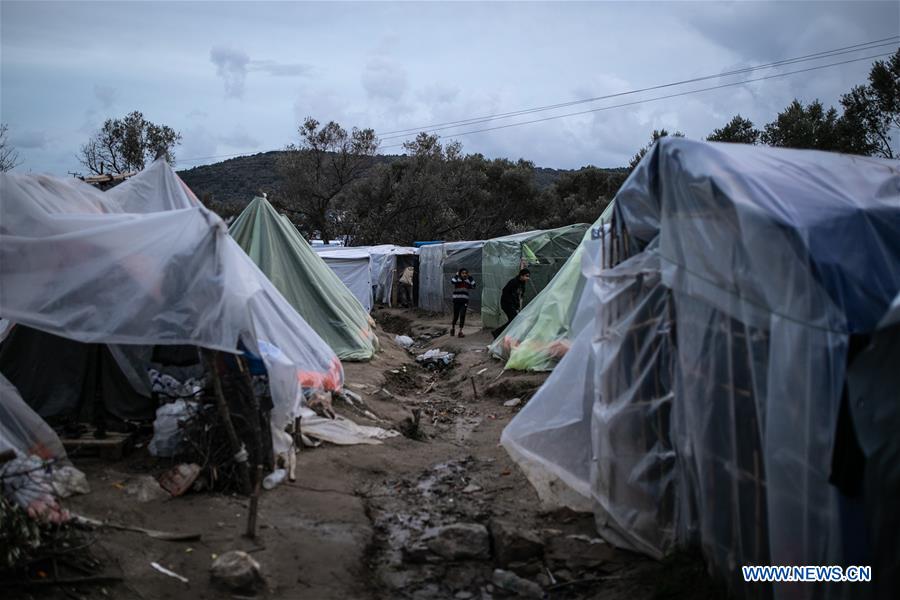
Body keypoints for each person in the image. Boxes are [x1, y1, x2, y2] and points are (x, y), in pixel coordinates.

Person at [492, 268, 530, 338]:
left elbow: (520, 295)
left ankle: (499, 332)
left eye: (528, 276)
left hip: (513, 304)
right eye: (526, 276)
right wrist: (511, 302)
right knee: (513, 320)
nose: (528, 278)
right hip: (507, 303)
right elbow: (505, 291)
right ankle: (497, 332)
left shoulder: (522, 283)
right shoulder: (514, 282)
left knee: (513, 320)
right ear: (521, 275)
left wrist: (517, 306)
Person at [449, 268, 476, 337]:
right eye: (463, 273)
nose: (464, 274)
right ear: (460, 274)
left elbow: (474, 286)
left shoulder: (468, 281)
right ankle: (453, 328)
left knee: (462, 315)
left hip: (464, 301)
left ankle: (460, 331)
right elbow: (452, 281)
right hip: (456, 301)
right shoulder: (457, 280)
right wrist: (456, 275)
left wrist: (470, 277)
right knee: (456, 316)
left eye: (465, 273)